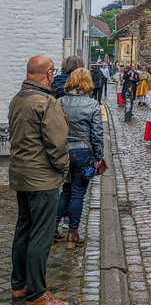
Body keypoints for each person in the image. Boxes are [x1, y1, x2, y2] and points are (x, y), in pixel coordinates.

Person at [8, 55, 70, 305]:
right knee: (41, 235)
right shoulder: (45, 101)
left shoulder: (17, 100)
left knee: (23, 228)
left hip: (21, 174)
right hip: (42, 178)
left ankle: (19, 284)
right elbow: (56, 144)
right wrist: (64, 166)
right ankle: (37, 293)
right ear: (48, 74)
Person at [55, 68, 105, 249]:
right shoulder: (92, 105)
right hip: (84, 153)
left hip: (63, 152)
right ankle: (72, 234)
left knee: (65, 191)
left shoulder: (59, 102)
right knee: (77, 193)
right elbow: (97, 134)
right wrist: (99, 156)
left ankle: (53, 228)